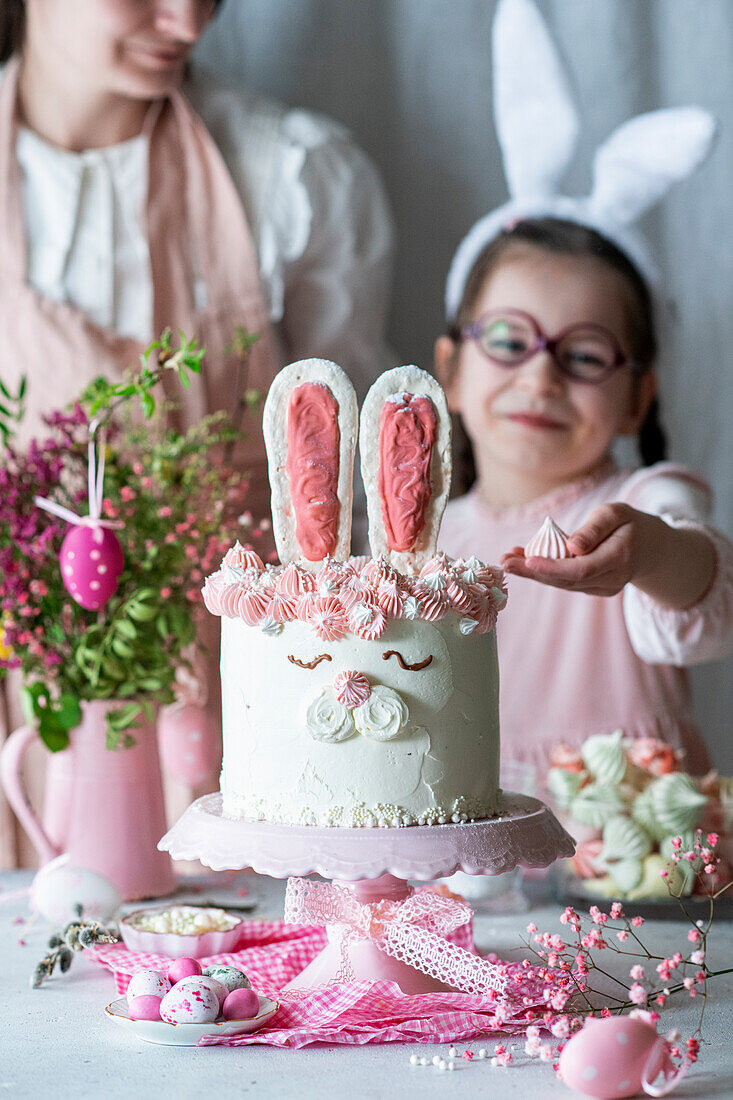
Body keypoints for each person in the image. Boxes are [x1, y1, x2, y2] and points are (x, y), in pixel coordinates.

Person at [0, 0, 394, 868]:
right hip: (25, 733)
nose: (188, 19)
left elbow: (353, 500)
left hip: (251, 730)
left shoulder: (293, 175)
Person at [434, 0, 733, 780]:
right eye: (506, 341)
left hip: (639, 880)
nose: (539, 374)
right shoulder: (420, 546)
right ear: (450, 369)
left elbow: (702, 598)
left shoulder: (644, 500)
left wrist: (649, 552)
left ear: (637, 397)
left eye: (585, 353)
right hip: (472, 882)